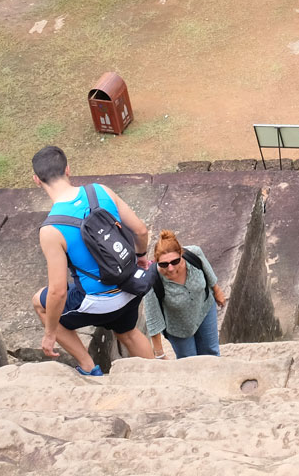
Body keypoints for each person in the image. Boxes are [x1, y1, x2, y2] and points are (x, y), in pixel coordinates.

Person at [29, 146, 156, 373]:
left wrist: (49, 335)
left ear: (37, 180)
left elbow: (58, 291)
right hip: (131, 284)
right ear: (68, 169)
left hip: (99, 301)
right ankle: (159, 374)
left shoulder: (51, 229)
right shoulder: (101, 191)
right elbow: (141, 231)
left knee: (41, 303)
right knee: (128, 332)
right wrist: (141, 258)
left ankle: (88, 366)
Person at [140, 229, 228, 358]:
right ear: (156, 260)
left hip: (204, 309)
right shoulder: (152, 279)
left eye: (175, 261)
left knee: (211, 354)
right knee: (188, 361)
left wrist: (217, 290)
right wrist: (159, 352)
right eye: (164, 264)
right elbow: (153, 317)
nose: (170, 268)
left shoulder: (194, 254)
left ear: (181, 253)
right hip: (179, 326)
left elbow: (207, 271)